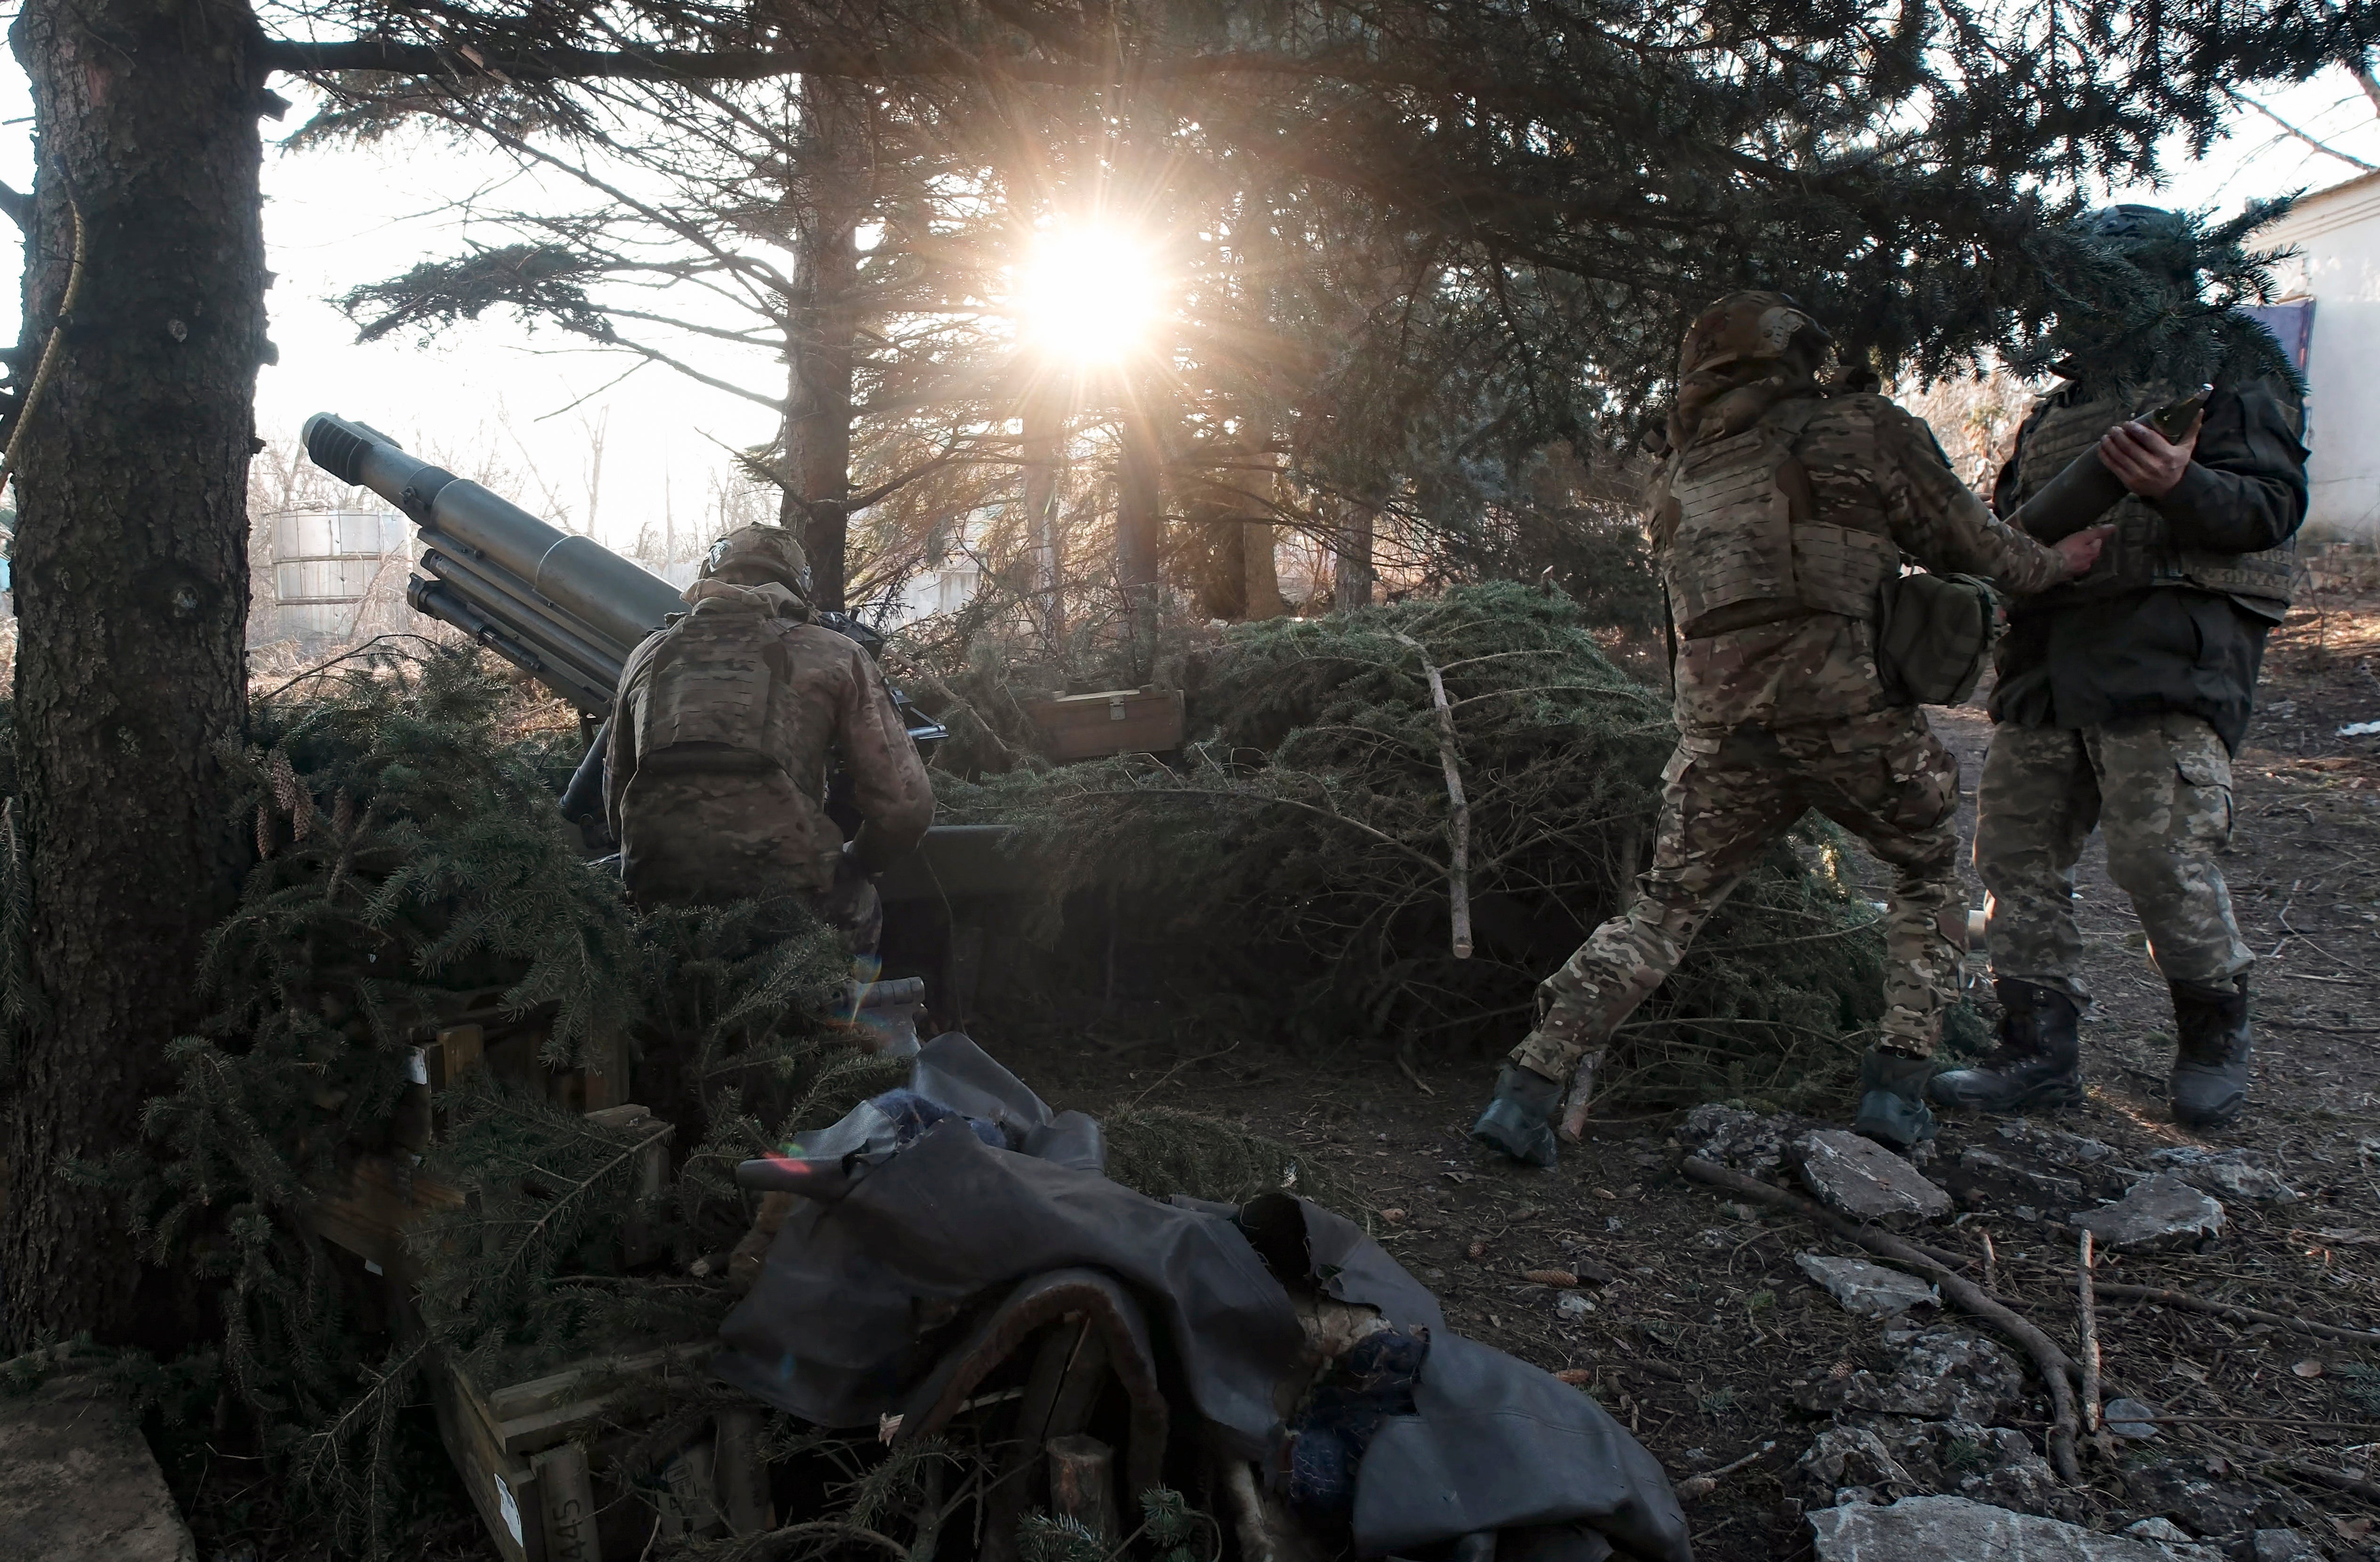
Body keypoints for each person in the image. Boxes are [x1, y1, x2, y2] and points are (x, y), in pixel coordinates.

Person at [1469, 291, 2108, 1166]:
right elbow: (1980, 548)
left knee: (1662, 911)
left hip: (1722, 728)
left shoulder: (1685, 470)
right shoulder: (1863, 428)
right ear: (1799, 354)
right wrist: (2054, 564)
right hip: (1851, 716)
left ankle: (1525, 1091)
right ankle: (1897, 1088)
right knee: (1925, 869)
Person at [1933, 206, 2309, 1132]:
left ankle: (2212, 1032)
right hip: (2046, 664)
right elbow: (2004, 532)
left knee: (2157, 857)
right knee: (2012, 856)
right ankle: (2032, 1051)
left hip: (2163, 658)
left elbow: (2268, 509)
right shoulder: (2051, 416)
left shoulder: (2225, 379)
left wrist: (2175, 485)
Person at [605, 524, 934, 946]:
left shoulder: (646, 655)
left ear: (712, 573)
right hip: (792, 901)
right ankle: (838, 1009)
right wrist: (856, 863)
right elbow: (906, 807)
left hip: (659, 898)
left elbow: (615, 801)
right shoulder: (836, 653)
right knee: (858, 903)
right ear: (798, 586)